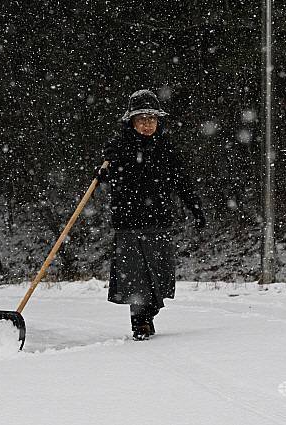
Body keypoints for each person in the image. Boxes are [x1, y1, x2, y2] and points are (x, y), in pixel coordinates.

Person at [97, 89, 206, 341]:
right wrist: (105, 172)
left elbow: (183, 183)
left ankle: (149, 313)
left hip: (158, 222)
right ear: (131, 122)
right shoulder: (118, 148)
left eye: (152, 119)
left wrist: (196, 209)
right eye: (142, 119)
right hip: (128, 222)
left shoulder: (166, 149)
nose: (147, 124)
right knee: (135, 278)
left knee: (158, 277)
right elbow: (109, 177)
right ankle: (140, 322)